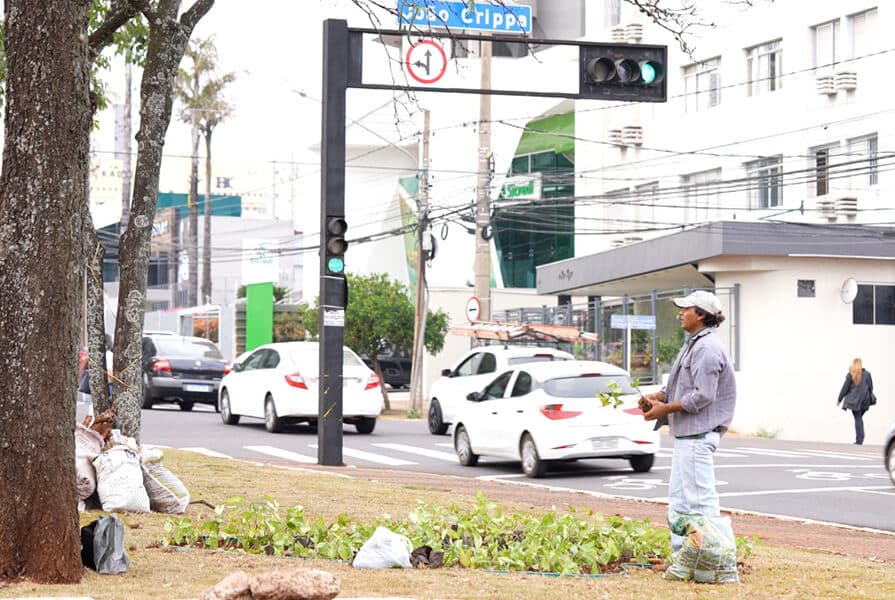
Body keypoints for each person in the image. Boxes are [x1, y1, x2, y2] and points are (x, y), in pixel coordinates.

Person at [638, 290, 737, 552]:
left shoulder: (707, 347)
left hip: (698, 436)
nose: (680, 313)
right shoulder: (695, 343)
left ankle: (716, 558)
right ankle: (683, 555)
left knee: (701, 502)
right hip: (688, 436)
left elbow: (703, 395)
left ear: (702, 315)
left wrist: (664, 409)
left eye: (686, 309)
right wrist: (657, 397)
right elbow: (682, 388)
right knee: (680, 502)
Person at [837, 358, 875, 445]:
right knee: (859, 418)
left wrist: (839, 399)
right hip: (865, 401)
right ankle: (861, 436)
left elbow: (845, 388)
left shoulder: (851, 374)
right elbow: (871, 387)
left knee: (857, 418)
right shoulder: (867, 374)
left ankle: (859, 439)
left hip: (854, 402)